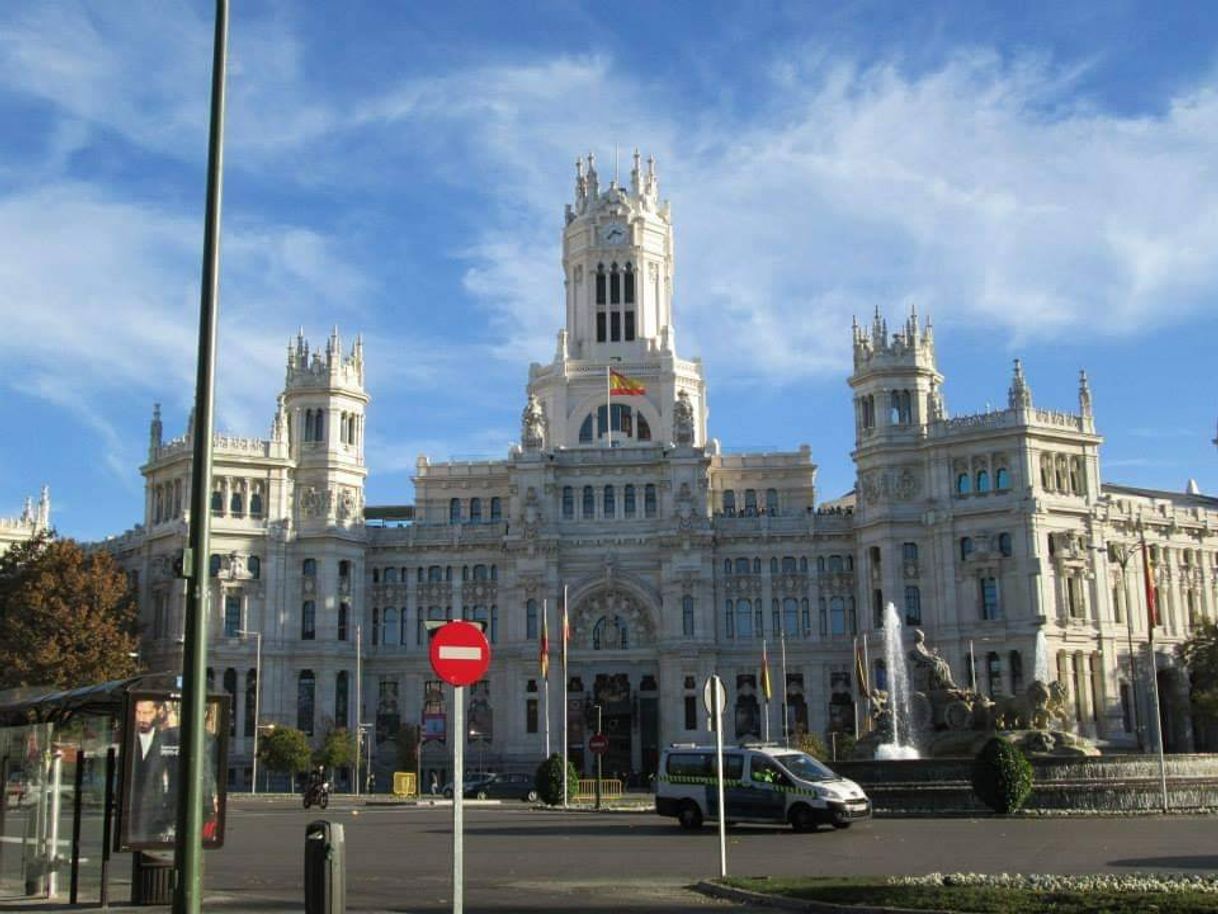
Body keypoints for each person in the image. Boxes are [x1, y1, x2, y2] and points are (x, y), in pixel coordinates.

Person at [129, 700, 175, 844]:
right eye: (138, 713)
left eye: (147, 713)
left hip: (154, 809)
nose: (142, 718)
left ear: (157, 712)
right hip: (130, 809)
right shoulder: (128, 737)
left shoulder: (166, 739)